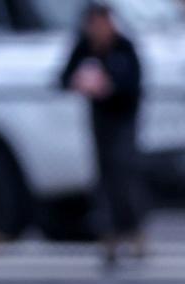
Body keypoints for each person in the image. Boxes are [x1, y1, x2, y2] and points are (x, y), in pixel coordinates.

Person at [60, 3, 146, 265]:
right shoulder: (85, 46)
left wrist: (110, 86)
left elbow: (134, 84)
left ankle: (134, 231)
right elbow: (62, 77)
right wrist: (79, 82)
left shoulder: (124, 47)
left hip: (123, 118)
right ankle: (109, 235)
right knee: (103, 177)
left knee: (124, 174)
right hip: (100, 120)